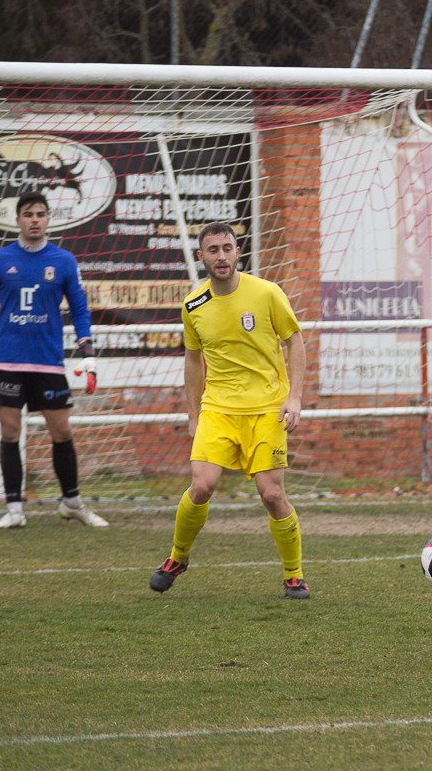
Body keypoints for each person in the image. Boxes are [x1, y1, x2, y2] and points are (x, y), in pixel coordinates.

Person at [148, 222, 309, 599]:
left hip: (267, 408)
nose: (221, 256)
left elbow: (295, 341)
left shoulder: (267, 293)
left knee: (271, 495)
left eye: (227, 248)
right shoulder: (194, 305)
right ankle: (177, 558)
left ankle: (294, 575)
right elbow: (192, 359)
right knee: (201, 486)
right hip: (218, 409)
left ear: (238, 252)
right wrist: (193, 414)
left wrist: (295, 396)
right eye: (213, 250)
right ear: (201, 256)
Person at [0, 192, 107, 529]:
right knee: (10, 432)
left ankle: (72, 503)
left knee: (62, 431)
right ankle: (14, 511)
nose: (34, 219)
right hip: (8, 360)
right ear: (18, 219)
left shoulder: (64, 261)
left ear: (49, 218)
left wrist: (88, 351)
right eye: (28, 214)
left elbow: (80, 309)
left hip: (48, 361)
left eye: (40, 213)